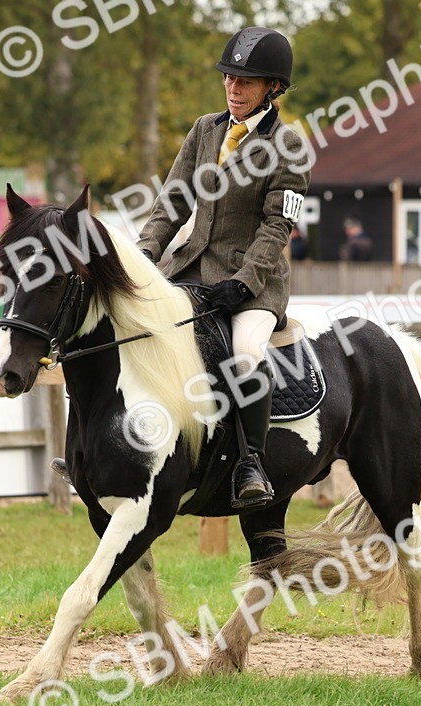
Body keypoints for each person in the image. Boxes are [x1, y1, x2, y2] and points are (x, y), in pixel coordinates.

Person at [136, 26, 311, 509]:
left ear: (273, 88)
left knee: (246, 351)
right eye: (229, 79)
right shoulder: (205, 130)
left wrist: (244, 281)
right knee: (140, 333)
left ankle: (251, 462)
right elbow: (172, 202)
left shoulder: (290, 148)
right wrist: (144, 255)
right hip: (191, 269)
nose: (234, 89)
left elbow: (278, 228)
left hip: (253, 285)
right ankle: (119, 449)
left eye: (246, 82)